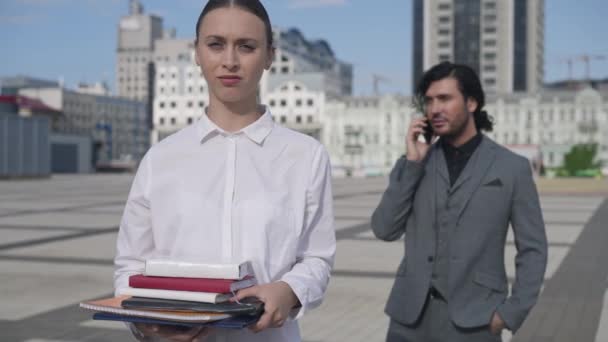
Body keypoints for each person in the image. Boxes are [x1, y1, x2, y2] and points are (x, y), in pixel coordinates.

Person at [114, 1, 336, 341]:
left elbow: (317, 258)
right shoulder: (160, 159)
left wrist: (289, 291)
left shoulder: (305, 156)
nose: (230, 61)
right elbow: (131, 265)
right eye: (216, 44)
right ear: (197, 53)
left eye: (246, 46)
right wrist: (145, 323)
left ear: (270, 56)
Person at [371, 61, 547, 342]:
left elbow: (533, 249)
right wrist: (413, 164)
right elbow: (384, 229)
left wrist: (511, 313)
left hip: (476, 322)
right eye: (429, 101)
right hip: (408, 321)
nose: (434, 108)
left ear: (472, 102)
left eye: (445, 98)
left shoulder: (511, 168)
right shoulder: (415, 162)